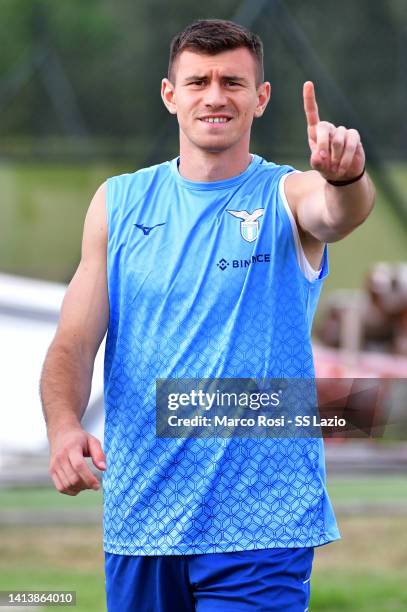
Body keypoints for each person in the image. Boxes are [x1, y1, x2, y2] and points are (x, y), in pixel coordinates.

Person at [40, 18, 375, 612]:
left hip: (264, 526)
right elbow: (74, 338)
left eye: (233, 82)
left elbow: (338, 213)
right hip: (142, 516)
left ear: (261, 98)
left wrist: (345, 174)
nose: (215, 96)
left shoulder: (286, 194)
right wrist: (64, 426)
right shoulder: (117, 203)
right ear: (171, 96)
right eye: (198, 81)